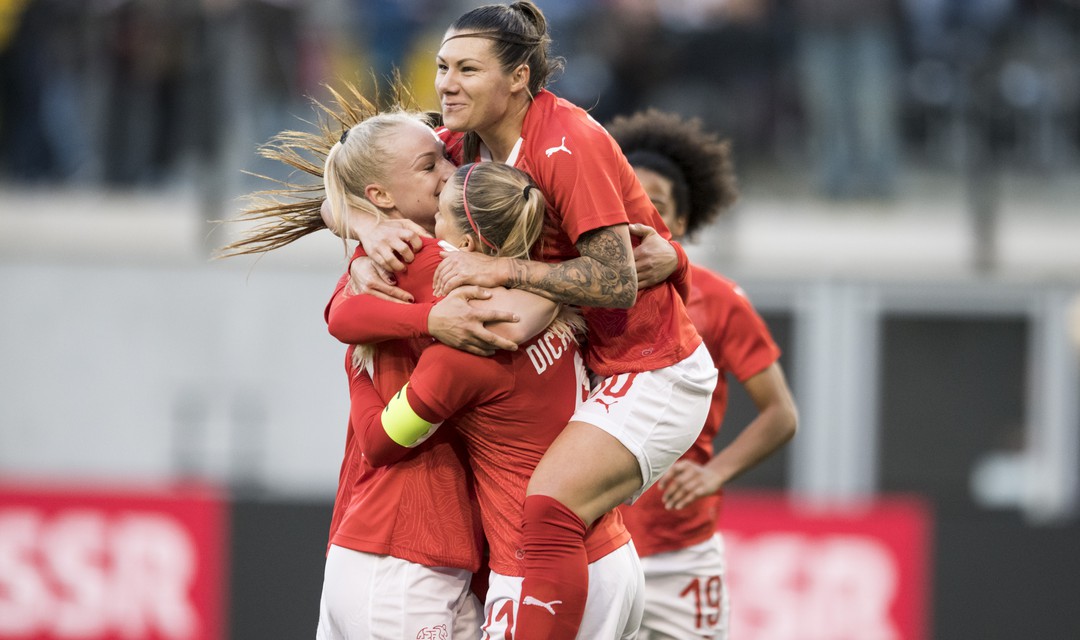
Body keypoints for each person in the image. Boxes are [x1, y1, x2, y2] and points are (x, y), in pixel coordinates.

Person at [333, 4, 718, 637]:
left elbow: (617, 281)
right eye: (442, 66)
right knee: (548, 515)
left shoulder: (571, 141)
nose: (447, 83)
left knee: (546, 508)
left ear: (519, 78)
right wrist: (366, 226)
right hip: (595, 370)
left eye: (467, 69)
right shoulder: (460, 143)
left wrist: (507, 274)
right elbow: (344, 176)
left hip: (655, 371)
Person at [219, 89, 553, 639]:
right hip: (404, 550)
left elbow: (342, 313)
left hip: (392, 547)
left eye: (447, 158)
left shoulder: (396, 253)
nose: (452, 170)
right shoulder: (427, 263)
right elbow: (348, 333)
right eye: (431, 165)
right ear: (380, 194)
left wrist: (357, 229)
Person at [347, 160, 644, 639]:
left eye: (439, 216)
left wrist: (358, 372)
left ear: (464, 245)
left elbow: (378, 443)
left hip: (539, 576)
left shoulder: (468, 346)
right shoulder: (551, 297)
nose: (429, 227)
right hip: (615, 560)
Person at [606, 108, 799, 639]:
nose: (638, 215)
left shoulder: (718, 301)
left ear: (682, 224)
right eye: (627, 200)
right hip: (591, 543)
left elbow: (781, 414)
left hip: (677, 554)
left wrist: (715, 474)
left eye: (657, 205)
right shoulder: (574, 291)